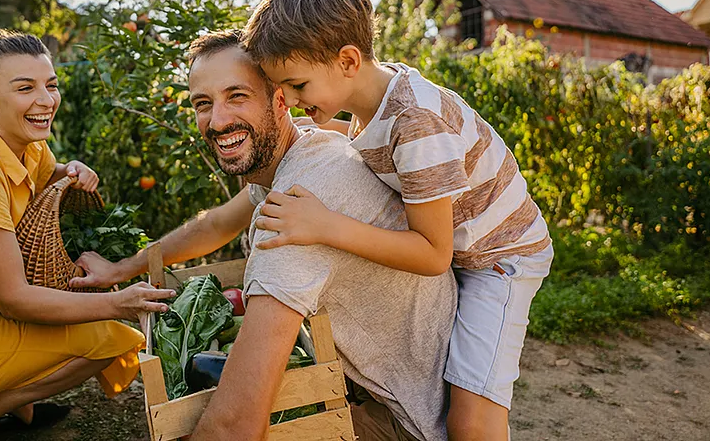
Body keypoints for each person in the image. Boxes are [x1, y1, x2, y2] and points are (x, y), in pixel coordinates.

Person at [74, 30, 457, 440]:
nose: (218, 121)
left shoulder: (293, 212)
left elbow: (235, 426)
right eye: (203, 103)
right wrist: (120, 269)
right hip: (386, 393)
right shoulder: (302, 151)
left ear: (281, 100)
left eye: (237, 96)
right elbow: (215, 223)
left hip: (409, 423)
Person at [241, 0, 556, 440]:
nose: (288, 100)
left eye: (296, 84)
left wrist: (326, 226)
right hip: (466, 251)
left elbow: (432, 255)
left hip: (501, 259)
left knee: (470, 420)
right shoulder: (369, 104)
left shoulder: (415, 123)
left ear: (347, 61)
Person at [0, 28, 175, 441]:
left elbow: (40, 182)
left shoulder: (26, 146)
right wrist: (119, 302)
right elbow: (13, 298)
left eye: (51, 85)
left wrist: (70, 170)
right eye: (25, 88)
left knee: (89, 327)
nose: (46, 101)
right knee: (113, 336)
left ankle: (17, 406)